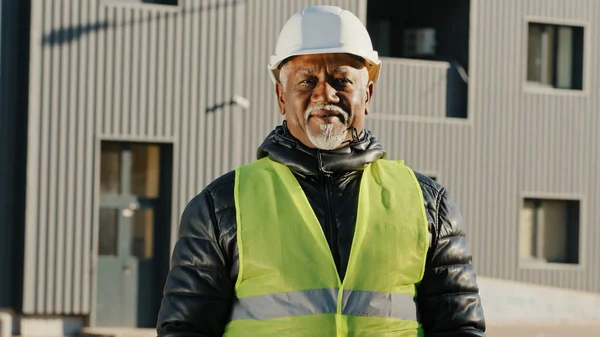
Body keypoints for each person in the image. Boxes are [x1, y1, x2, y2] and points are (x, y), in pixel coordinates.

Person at [156, 5, 486, 337]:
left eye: (341, 80)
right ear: (281, 97)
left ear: (367, 94)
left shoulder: (429, 205)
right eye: (307, 80)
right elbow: (184, 330)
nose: (324, 94)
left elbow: (460, 328)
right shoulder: (220, 207)